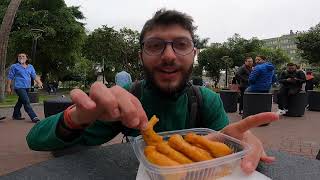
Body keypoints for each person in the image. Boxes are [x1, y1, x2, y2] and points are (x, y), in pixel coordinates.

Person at [26, 9, 278, 174]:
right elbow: (36, 140)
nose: (168, 55)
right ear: (141, 56)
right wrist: (77, 117)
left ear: (194, 54)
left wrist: (243, 141)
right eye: (155, 45)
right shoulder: (127, 98)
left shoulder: (207, 100)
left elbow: (227, 139)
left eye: (181, 45)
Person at [6, 53, 43, 123]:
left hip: (27, 87)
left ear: (26, 58)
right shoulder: (14, 66)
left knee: (20, 101)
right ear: (17, 58)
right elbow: (10, 77)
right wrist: (8, 87)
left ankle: (16, 115)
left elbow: (34, 75)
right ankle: (34, 117)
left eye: (23, 56)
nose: (21, 57)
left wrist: (39, 82)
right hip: (19, 87)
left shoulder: (30, 67)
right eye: (19, 56)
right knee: (26, 101)